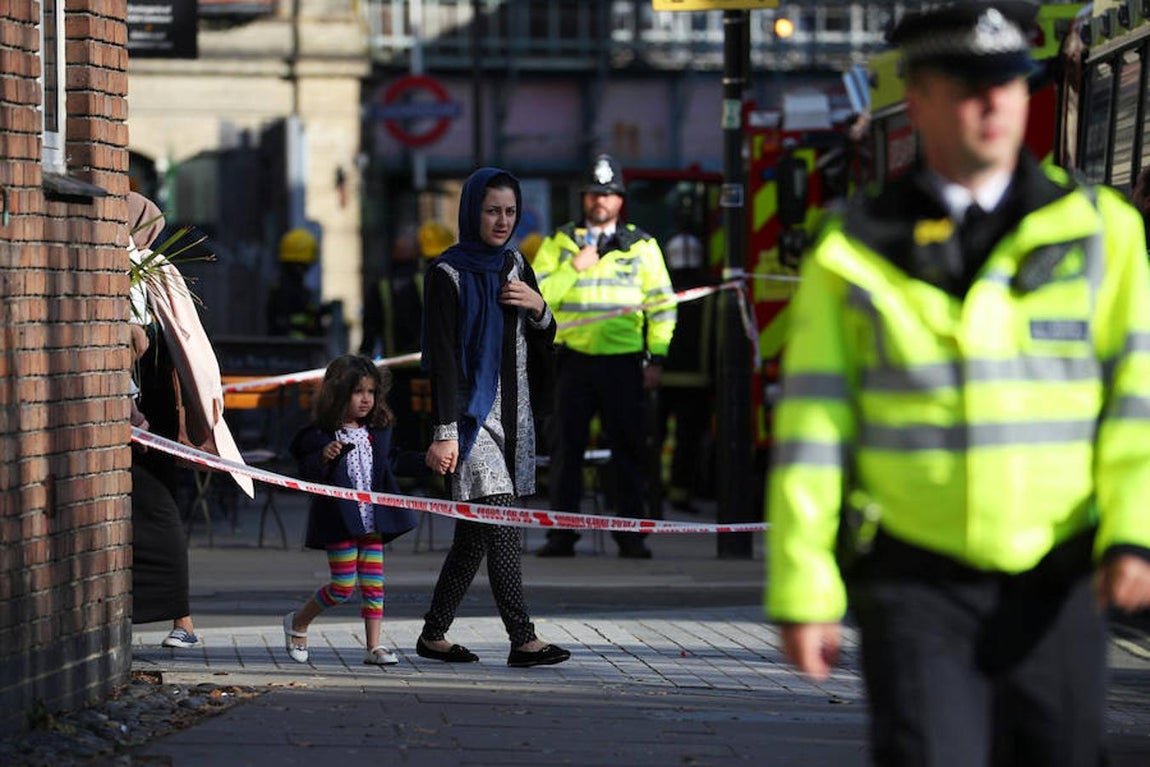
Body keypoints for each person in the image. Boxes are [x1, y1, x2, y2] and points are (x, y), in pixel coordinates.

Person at [766, 3, 1150, 765]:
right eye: (971, 84)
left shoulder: (1099, 230)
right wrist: (804, 587)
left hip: (1059, 572)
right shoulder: (854, 250)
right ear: (920, 99)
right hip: (914, 578)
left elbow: (1134, 400)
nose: (995, 103)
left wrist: (1133, 533)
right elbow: (812, 433)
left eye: (1009, 84)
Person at [416, 167, 570, 668]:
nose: (502, 221)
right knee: (501, 516)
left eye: (509, 211)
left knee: (474, 534)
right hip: (468, 417)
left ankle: (433, 635)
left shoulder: (516, 263)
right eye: (491, 210)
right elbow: (439, 359)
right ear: (471, 212)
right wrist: (444, 433)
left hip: (514, 414)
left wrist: (540, 307)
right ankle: (523, 638)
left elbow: (545, 339)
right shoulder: (447, 273)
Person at [533, 153, 677, 558]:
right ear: (584, 198)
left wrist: (657, 357)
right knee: (566, 451)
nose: (601, 201)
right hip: (572, 360)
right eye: (594, 193)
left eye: (609, 194)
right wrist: (574, 268)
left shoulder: (642, 246)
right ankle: (562, 535)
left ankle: (631, 535)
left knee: (629, 450)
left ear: (620, 200)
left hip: (624, 361)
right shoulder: (559, 242)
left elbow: (662, 305)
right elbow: (538, 296)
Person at [127, 192, 253, 649]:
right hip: (138, 408)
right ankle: (167, 618)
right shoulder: (130, 271)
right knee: (145, 510)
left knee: (156, 507)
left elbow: (186, 343)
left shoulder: (153, 273)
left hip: (150, 412)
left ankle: (183, 622)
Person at [283, 354, 425, 666]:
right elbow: (305, 473)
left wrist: (426, 460)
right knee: (342, 587)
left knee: (374, 586)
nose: (366, 400)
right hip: (340, 523)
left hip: (372, 522)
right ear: (337, 394)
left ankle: (373, 646)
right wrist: (323, 457)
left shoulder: (377, 431)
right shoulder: (319, 434)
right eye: (358, 391)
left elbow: (393, 462)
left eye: (371, 392)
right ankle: (299, 622)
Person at [654, 203, 715, 515]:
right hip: (697, 381)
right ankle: (680, 493)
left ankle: (652, 497)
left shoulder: (663, 288)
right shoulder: (711, 292)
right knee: (687, 442)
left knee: (654, 438)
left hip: (660, 377)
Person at [267, 227, 327, 338]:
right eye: (305, 265)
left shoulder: (281, 289)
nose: (307, 269)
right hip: (294, 352)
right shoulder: (288, 293)